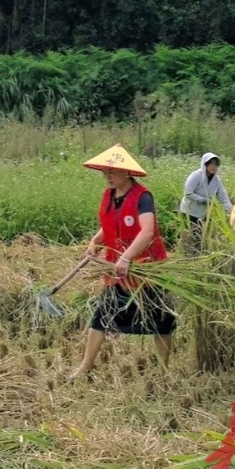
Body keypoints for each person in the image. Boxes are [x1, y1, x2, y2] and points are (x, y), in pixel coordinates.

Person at [68, 144, 176, 381]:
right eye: (105, 172)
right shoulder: (109, 196)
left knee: (161, 321)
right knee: (101, 316)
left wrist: (127, 257)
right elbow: (111, 224)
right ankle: (85, 367)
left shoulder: (143, 198)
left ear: (127, 172)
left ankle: (163, 372)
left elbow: (147, 231)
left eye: (113, 172)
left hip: (147, 269)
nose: (108, 176)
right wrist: (96, 241)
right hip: (118, 269)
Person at [179, 153, 232, 249]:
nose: (213, 166)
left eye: (215, 164)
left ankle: (201, 253)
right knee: (193, 236)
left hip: (204, 213)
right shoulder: (196, 176)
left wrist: (231, 211)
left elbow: (223, 197)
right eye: (210, 163)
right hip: (190, 212)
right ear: (205, 164)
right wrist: (204, 200)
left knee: (204, 236)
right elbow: (188, 193)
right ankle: (190, 256)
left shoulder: (216, 180)